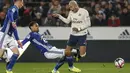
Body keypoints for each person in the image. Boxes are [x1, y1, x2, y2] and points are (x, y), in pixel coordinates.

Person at [52, 0, 91, 72]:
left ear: (75, 5)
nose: (70, 8)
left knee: (82, 55)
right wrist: (59, 16)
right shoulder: (71, 12)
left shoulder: (84, 12)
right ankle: (60, 68)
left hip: (82, 35)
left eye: (71, 7)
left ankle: (77, 52)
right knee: (67, 52)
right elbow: (67, 21)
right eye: (69, 7)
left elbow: (88, 24)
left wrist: (79, 28)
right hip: (73, 35)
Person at [0, 0, 23, 73]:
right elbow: (10, 13)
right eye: (22, 2)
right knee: (0, 54)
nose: (22, 4)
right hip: (4, 34)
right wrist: (12, 21)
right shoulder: (14, 8)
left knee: (16, 53)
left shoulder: (17, 10)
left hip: (9, 36)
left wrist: (18, 40)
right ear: (19, 1)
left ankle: (9, 69)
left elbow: (14, 28)